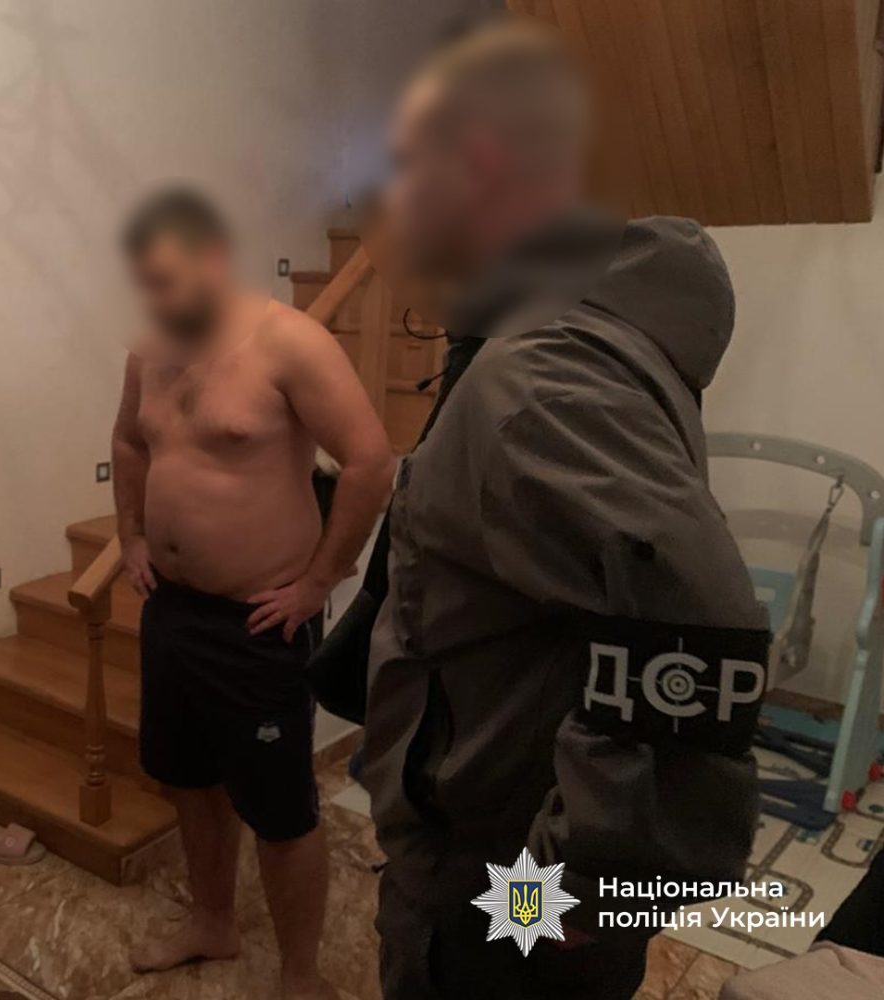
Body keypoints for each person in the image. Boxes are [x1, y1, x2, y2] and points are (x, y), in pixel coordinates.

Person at [360, 17, 769, 999]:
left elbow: (695, 634)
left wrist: (583, 889)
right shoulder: (560, 341)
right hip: (505, 840)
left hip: (501, 873)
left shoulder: (538, 377)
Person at [111, 187, 394, 1000]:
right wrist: (131, 536)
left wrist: (318, 582)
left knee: (280, 810)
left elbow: (370, 464)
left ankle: (300, 975)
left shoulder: (290, 343)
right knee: (189, 782)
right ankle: (212, 922)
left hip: (260, 622)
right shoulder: (150, 348)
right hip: (174, 612)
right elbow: (129, 442)